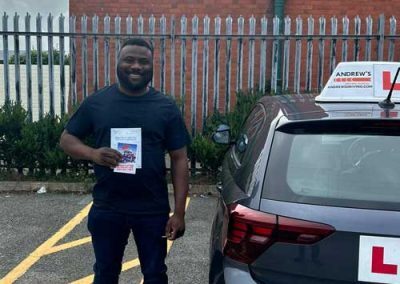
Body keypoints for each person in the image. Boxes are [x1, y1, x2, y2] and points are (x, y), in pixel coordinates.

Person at [60, 38, 190, 284]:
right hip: (108, 207)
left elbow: (180, 158)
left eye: (143, 61)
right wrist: (93, 154)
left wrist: (180, 212)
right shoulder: (97, 103)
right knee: (106, 274)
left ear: (152, 66)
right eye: (129, 59)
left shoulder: (166, 107)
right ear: (117, 63)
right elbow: (67, 139)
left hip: (152, 209)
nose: (136, 66)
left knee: (154, 275)